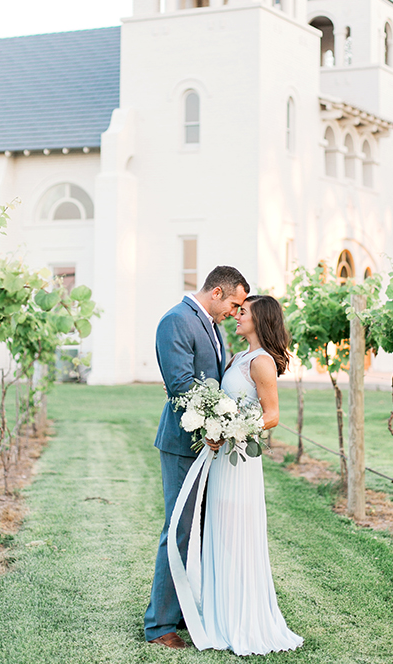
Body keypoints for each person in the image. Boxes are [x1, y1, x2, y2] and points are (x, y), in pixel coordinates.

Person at [170, 294, 303, 655]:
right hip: (223, 457)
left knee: (235, 534)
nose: (237, 315)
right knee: (219, 532)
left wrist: (231, 429)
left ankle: (242, 620)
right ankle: (221, 614)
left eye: (243, 312)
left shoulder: (261, 362)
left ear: (260, 320)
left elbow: (272, 415)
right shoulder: (240, 356)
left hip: (240, 458)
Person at [145, 266, 250, 650]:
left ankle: (183, 611)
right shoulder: (176, 320)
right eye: (235, 303)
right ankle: (159, 626)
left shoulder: (210, 325)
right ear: (217, 292)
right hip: (182, 443)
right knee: (180, 530)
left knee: (199, 531)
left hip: (208, 445)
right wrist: (215, 423)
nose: (236, 313)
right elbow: (181, 385)